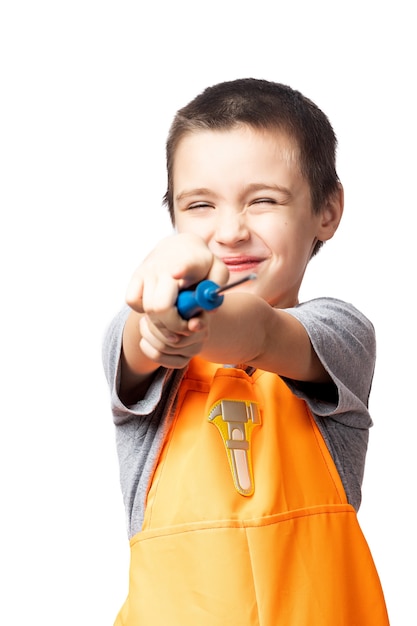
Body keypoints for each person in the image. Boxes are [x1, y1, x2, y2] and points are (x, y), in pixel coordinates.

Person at [102, 78, 389, 625]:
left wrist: (194, 318)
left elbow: (260, 332)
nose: (230, 232)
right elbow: (139, 343)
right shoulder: (138, 336)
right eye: (200, 205)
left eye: (263, 201)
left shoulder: (339, 335)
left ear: (327, 211)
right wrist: (159, 320)